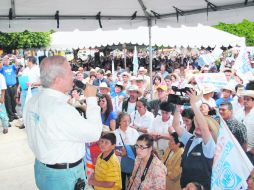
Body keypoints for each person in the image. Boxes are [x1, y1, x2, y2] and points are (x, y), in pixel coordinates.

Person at [23, 56, 103, 190]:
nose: (73, 75)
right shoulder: (61, 109)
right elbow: (94, 133)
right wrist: (91, 100)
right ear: (58, 79)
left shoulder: (32, 101)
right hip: (64, 176)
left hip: (42, 169)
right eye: (70, 71)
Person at [172, 89, 219, 190]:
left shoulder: (210, 146)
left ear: (211, 132)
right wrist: (178, 107)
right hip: (185, 186)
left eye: (202, 125)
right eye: (197, 123)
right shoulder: (191, 139)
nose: (199, 126)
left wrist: (193, 104)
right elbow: (175, 125)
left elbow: (204, 128)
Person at [114, 112, 139, 190]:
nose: (126, 123)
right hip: (119, 163)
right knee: (121, 184)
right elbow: (111, 148)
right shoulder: (115, 133)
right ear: (119, 121)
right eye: (124, 121)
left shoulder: (134, 132)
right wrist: (116, 152)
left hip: (132, 162)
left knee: (132, 183)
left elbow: (138, 146)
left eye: (128, 121)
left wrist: (129, 149)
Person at [0, 56, 18, 122]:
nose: (7, 61)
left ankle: (13, 114)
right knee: (8, 102)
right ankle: (10, 116)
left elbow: (16, 65)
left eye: (8, 60)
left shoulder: (12, 66)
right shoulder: (2, 68)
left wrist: (15, 59)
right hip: (6, 87)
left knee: (13, 101)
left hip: (13, 87)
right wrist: (2, 60)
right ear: (4, 61)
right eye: (5, 60)